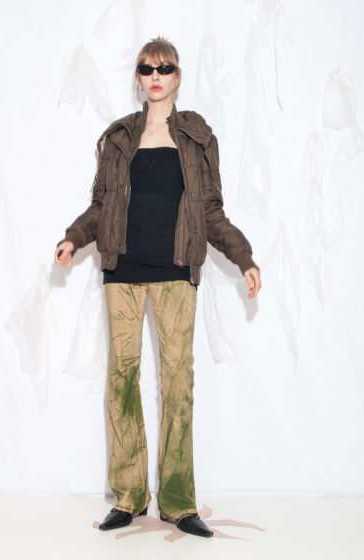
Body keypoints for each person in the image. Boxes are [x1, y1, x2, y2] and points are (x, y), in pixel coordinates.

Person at [54, 36, 261, 538]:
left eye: (164, 68)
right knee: (121, 380)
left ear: (177, 76)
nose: (155, 76)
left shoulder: (196, 137)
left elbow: (210, 211)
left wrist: (244, 257)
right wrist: (73, 237)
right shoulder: (119, 137)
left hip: (175, 270)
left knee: (178, 383)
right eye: (147, 69)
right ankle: (128, 497)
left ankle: (177, 502)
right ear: (138, 77)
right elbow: (101, 205)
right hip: (122, 269)